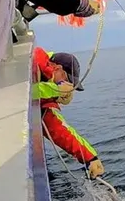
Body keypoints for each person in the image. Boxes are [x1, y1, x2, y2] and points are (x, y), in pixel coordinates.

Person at [32, 46, 104, 178]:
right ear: (58, 68)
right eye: (67, 81)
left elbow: (59, 129)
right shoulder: (33, 62)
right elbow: (21, 93)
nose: (69, 87)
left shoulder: (44, 97)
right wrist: (55, 90)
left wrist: (90, 157)